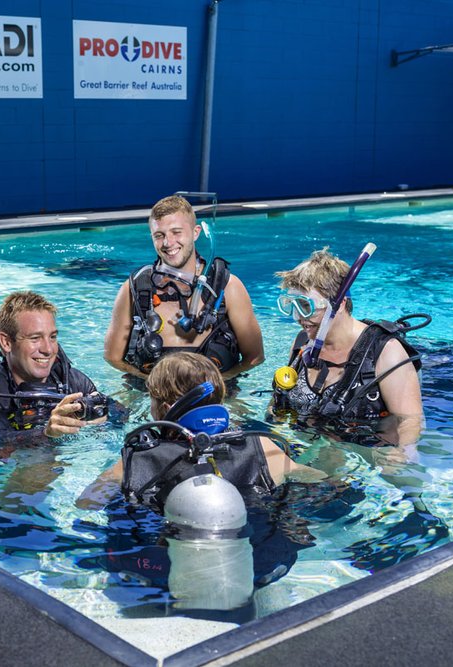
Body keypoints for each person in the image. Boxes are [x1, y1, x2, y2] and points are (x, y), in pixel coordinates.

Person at [80, 351, 321, 509]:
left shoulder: (137, 461)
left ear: (163, 408)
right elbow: (320, 482)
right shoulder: (261, 447)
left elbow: (86, 504)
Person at [271, 247, 424, 446]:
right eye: (291, 305)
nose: (299, 317)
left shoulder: (385, 352)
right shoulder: (302, 343)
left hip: (362, 453)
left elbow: (410, 421)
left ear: (340, 304)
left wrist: (400, 455)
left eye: (306, 306)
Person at [103, 194, 264, 381]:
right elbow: (112, 357)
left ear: (195, 233)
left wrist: (217, 385)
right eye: (159, 235)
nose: (168, 243)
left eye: (176, 232)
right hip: (151, 396)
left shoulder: (227, 287)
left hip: (216, 396)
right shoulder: (136, 288)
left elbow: (255, 357)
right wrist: (151, 384)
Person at [0, 291, 105, 439]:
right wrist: (46, 434)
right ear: (6, 342)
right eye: (35, 338)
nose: (48, 349)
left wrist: (103, 418)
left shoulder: (72, 381)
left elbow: (120, 415)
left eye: (53, 337)